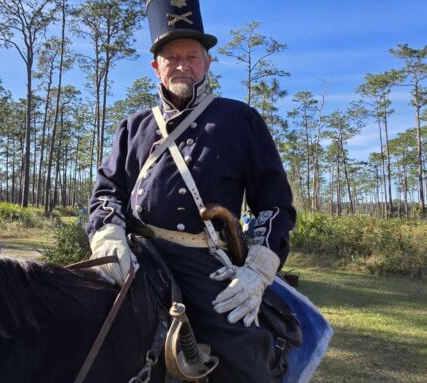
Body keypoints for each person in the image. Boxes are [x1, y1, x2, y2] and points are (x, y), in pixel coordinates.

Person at [85, 0, 296, 381]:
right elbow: (107, 191)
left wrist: (258, 270)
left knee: (245, 355)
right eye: (171, 57)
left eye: (192, 56)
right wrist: (107, 235)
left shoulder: (241, 119)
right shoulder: (133, 126)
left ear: (208, 63)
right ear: (156, 67)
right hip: (138, 255)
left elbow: (275, 204)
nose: (182, 64)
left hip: (204, 263)